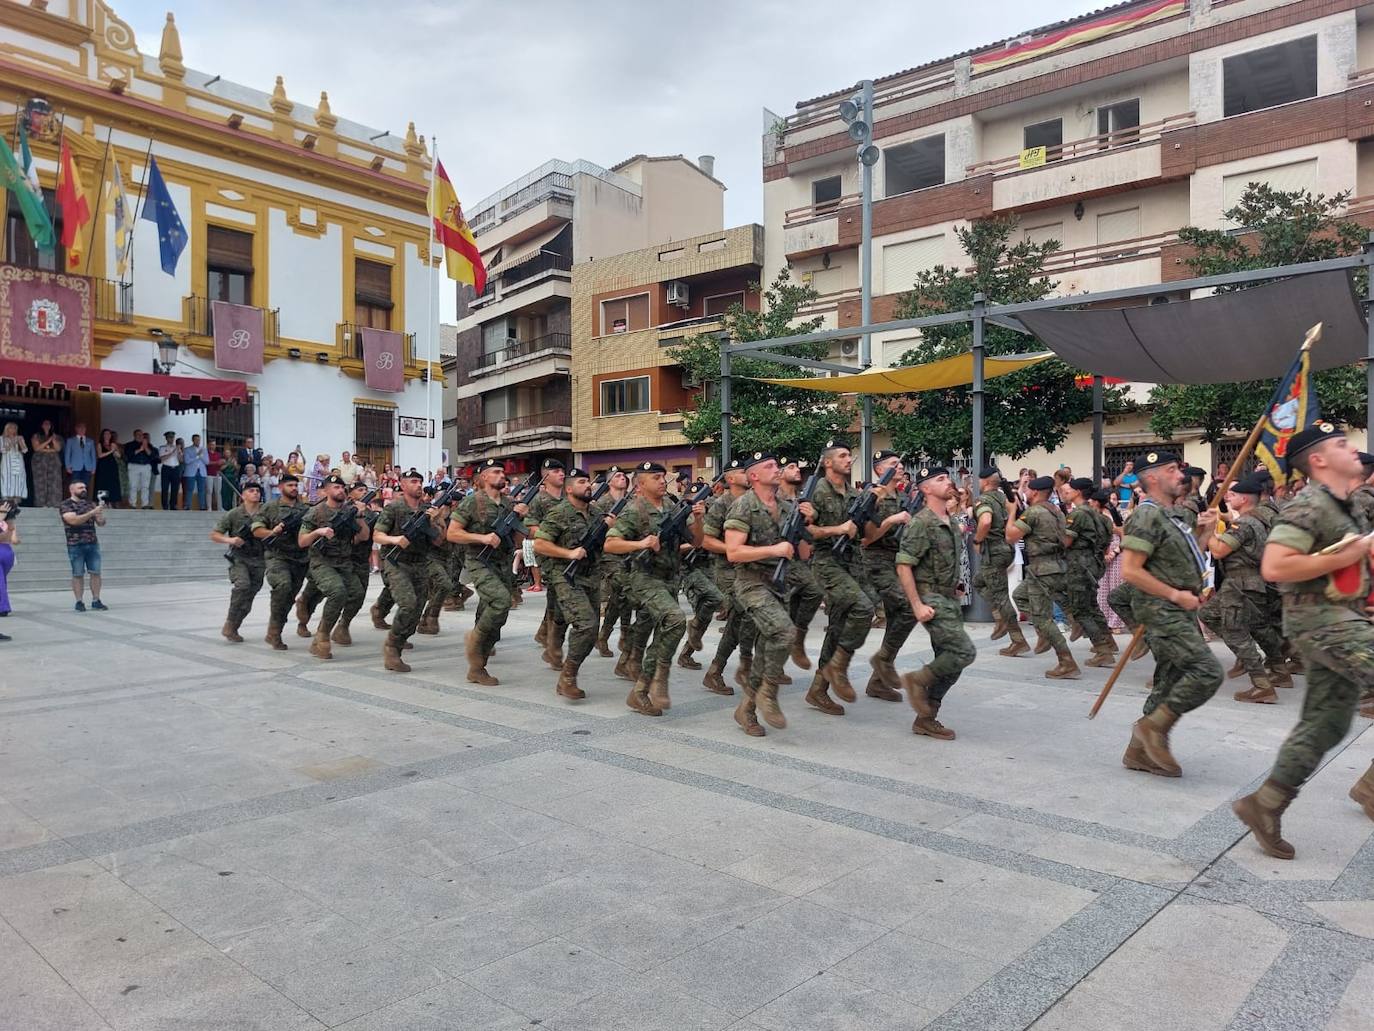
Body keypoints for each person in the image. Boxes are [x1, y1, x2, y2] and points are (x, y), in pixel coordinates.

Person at [1228, 423, 1374, 858]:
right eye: (1342, 444)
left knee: (1327, 723)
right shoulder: (1309, 506)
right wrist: (1353, 552)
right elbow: (1276, 566)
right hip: (1321, 622)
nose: (1354, 450)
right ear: (1318, 460)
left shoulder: (1347, 506)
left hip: (1343, 617)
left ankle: (1265, 804)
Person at [1117, 450, 1222, 778]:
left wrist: (1206, 531)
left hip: (1183, 606)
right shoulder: (1146, 515)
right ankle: (1153, 729)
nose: (1182, 475)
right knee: (1207, 672)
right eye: (1174, 470)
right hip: (1162, 609)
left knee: (1169, 680)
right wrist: (1175, 593)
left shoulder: (1175, 515)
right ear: (1152, 478)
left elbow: (1190, 558)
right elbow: (1131, 571)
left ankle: (1138, 752)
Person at [604, 461, 699, 715]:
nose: (661, 481)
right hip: (644, 578)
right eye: (655, 477)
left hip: (669, 579)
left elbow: (697, 540)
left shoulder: (673, 506)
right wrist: (641, 544)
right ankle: (660, 677)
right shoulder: (635, 510)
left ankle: (640, 691)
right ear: (640, 483)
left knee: (665, 630)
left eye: (662, 477)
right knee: (676, 620)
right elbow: (611, 544)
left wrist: (698, 518)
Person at [724, 453, 803, 735]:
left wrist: (804, 528)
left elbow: (803, 552)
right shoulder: (743, 506)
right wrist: (773, 550)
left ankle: (746, 710)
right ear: (754, 476)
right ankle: (767, 693)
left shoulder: (786, 506)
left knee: (766, 648)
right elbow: (733, 553)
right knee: (785, 633)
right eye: (769, 466)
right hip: (751, 584)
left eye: (777, 464)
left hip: (779, 585)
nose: (777, 468)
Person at [897, 466, 977, 740]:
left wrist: (954, 583)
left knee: (951, 663)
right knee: (964, 652)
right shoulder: (921, 522)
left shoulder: (950, 521)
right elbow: (904, 566)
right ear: (925, 488)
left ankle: (926, 718)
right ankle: (916, 680)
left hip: (947, 597)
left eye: (947, 477)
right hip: (930, 598)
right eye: (940, 479)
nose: (948, 482)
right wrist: (917, 605)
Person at [1201, 476, 1289, 704]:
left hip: (1239, 584)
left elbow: (1219, 550)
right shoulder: (1259, 519)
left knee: (1234, 631)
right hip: (1254, 582)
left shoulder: (1246, 523)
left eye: (1232, 494)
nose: (1228, 497)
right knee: (1256, 626)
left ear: (1244, 498)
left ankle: (1261, 684)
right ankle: (1279, 669)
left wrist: (1210, 532)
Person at [806, 439, 875, 706]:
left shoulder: (854, 495)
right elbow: (807, 531)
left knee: (837, 627)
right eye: (843, 455)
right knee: (864, 608)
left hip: (852, 563)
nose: (849, 459)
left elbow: (867, 535)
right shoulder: (816, 492)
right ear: (828, 462)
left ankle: (818, 689)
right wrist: (839, 530)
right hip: (826, 562)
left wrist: (872, 510)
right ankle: (839, 666)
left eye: (849, 455)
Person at [449, 458, 528, 684]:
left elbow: (519, 538)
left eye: (503, 473)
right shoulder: (473, 502)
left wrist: (519, 518)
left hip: (502, 563)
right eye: (495, 472)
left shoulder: (508, 503)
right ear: (483, 477)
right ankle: (474, 639)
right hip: (479, 561)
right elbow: (452, 533)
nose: (501, 476)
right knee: (501, 601)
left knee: (498, 614)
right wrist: (481, 537)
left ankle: (477, 667)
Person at [533, 468, 606, 700]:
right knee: (586, 625)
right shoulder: (559, 513)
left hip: (591, 576)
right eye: (582, 482)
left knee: (591, 630)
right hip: (565, 575)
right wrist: (569, 553)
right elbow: (540, 544)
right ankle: (567, 677)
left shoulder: (596, 513)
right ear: (569, 489)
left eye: (589, 482)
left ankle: (561, 658)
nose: (588, 486)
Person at [1007, 475, 1080, 679]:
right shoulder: (1057, 511)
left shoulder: (1033, 512)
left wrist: (1012, 511)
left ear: (1035, 492)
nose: (1026, 493)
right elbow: (1066, 540)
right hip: (1056, 565)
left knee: (1042, 617)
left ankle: (1066, 661)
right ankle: (1046, 632)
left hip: (1042, 569)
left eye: (1028, 490)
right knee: (1020, 596)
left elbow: (1010, 536)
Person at [372, 469, 444, 672]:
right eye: (413, 482)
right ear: (402, 486)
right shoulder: (394, 508)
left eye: (420, 482)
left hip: (419, 563)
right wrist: (395, 539)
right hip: (397, 563)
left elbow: (439, 540)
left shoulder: (428, 510)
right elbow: (377, 535)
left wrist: (437, 520)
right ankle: (392, 648)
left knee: (417, 608)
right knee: (408, 603)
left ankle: (401, 637)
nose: (418, 485)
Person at [859, 451, 915, 703]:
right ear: (880, 470)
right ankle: (824, 680)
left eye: (900, 463)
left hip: (897, 562)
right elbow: (866, 538)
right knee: (906, 609)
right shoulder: (872, 496)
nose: (900, 467)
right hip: (875, 563)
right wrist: (892, 520)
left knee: (899, 618)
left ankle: (878, 680)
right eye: (894, 464)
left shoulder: (902, 496)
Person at [297, 474, 369, 660]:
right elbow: (302, 541)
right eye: (335, 487)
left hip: (344, 562)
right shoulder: (316, 512)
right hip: (322, 562)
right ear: (326, 490)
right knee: (337, 592)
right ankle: (322, 636)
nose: (340, 491)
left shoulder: (349, 511)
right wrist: (317, 532)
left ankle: (341, 627)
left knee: (357, 594)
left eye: (342, 488)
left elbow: (363, 537)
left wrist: (360, 515)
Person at [700, 459, 752, 695]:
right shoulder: (722, 504)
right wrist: (733, 549)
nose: (747, 475)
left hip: (753, 569)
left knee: (744, 621)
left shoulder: (754, 501)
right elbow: (707, 541)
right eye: (742, 472)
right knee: (743, 617)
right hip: (729, 570)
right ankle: (718, 670)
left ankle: (719, 670)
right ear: (730, 479)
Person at [973, 464, 1029, 655]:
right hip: (1006, 549)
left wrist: (977, 539)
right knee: (979, 582)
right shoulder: (1004, 497)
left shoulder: (984, 500)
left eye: (980, 480)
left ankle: (1017, 638)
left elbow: (985, 521)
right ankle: (1000, 617)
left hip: (993, 551)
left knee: (1001, 596)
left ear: (986, 481)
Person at [1064, 476, 1119, 669]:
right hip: (1094, 564)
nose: (1067, 492)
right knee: (1092, 605)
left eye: (1070, 489)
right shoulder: (1100, 516)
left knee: (1080, 609)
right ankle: (1108, 641)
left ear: (1078, 492)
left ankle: (1102, 650)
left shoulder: (1077, 515)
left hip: (1079, 565)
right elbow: (1106, 542)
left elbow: (1066, 541)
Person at [252, 472, 310, 650]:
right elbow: (256, 530)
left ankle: (275, 629)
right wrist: (273, 532)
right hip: (277, 556)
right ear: (280, 488)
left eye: (295, 485)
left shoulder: (304, 509)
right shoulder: (270, 507)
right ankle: (275, 631)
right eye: (289, 485)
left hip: (299, 558)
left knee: (289, 596)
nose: (293, 488)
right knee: (282, 587)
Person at [777, 456, 824, 673]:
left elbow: (805, 544)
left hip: (796, 560)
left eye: (798, 466)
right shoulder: (772, 499)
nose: (797, 470)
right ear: (779, 473)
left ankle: (797, 637)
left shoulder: (803, 500)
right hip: (773, 560)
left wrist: (809, 519)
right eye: (791, 466)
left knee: (814, 590)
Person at [209, 480, 266, 642]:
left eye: (257, 490)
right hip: (239, 558)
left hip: (259, 559)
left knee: (249, 597)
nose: (255, 493)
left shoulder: (265, 512)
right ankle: (229, 621)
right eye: (251, 491)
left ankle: (234, 626)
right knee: (242, 585)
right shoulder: (234, 514)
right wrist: (231, 540)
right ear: (243, 495)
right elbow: (215, 534)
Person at [528, 459, 567, 666]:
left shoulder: (567, 499)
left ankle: (545, 634)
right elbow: (531, 527)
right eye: (556, 471)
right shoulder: (539, 500)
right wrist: (551, 535)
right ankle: (553, 646)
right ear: (546, 476)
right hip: (549, 556)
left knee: (556, 596)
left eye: (562, 470)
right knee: (560, 596)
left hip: (564, 553)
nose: (561, 473)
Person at [60, 479, 107, 611]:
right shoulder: (66, 505)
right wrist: (92, 513)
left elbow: (101, 523)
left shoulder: (90, 504)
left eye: (85, 487)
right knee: (77, 574)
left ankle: (96, 600)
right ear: (72, 490)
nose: (84, 489)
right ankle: (79, 601)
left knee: (96, 573)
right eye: (80, 488)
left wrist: (100, 514)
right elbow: (73, 520)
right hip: (75, 544)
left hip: (92, 543)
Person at [30, 420, 63, 507]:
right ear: (41, 425)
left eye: (49, 424)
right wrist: (48, 441)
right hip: (40, 462)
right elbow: (36, 448)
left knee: (54, 482)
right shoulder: (36, 436)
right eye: (45, 423)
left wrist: (53, 439)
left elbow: (58, 449)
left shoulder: (56, 436)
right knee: (40, 482)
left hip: (53, 461)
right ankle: (41, 504)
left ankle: (53, 504)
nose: (47, 425)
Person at [125, 430, 157, 509]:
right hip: (133, 466)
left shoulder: (149, 445)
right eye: (138, 434)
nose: (140, 436)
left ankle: (145, 504)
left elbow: (152, 456)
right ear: (134, 435)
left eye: (141, 435)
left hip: (146, 466)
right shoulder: (129, 444)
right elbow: (128, 455)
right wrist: (140, 449)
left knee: (145, 486)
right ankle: (132, 504)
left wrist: (145, 447)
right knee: (133, 486)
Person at [0, 422, 27, 506]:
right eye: (11, 428)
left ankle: (16, 502)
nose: (13, 430)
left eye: (15, 428)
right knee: (6, 479)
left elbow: (25, 450)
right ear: (7, 429)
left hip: (18, 461)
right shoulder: (1, 438)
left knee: (18, 480)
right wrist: (12, 442)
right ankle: (6, 501)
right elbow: (2, 450)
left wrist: (20, 442)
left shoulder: (20, 438)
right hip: (7, 462)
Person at [63, 423, 96, 491]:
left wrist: (94, 467)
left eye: (83, 428)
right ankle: (76, 501)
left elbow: (93, 455)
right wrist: (68, 467)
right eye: (80, 428)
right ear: (76, 429)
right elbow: (67, 454)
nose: (82, 430)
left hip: (87, 467)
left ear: (85, 429)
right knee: (75, 486)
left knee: (85, 486)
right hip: (75, 467)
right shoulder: (70, 441)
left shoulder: (90, 441)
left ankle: (83, 501)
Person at [0, 500, 17, 617]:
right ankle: (3, 606)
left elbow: (11, 538)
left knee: (1, 581)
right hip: (4, 551)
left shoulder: (7, 522)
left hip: (5, 551)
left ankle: (3, 606)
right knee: (1, 581)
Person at [181, 434, 207, 510]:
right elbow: (187, 461)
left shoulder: (204, 449)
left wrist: (201, 456)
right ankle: (187, 505)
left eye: (199, 440)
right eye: (196, 440)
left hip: (201, 471)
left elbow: (207, 462)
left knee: (201, 490)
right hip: (191, 472)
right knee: (189, 489)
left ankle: (202, 506)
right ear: (192, 440)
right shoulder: (187, 449)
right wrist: (197, 456)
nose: (198, 441)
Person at [158, 431, 182, 510]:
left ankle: (173, 505)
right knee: (165, 488)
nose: (171, 439)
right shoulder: (162, 447)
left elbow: (181, 460)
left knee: (175, 488)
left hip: (175, 469)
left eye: (172, 437)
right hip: (166, 468)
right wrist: (172, 453)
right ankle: (165, 505)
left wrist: (179, 452)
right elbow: (161, 459)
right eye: (170, 437)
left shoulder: (177, 447)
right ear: (166, 438)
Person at [206, 440, 224, 512]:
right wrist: (217, 462)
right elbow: (207, 462)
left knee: (218, 492)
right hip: (209, 474)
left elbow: (220, 463)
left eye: (213, 445)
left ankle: (219, 508)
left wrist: (222, 463)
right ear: (208, 445)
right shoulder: (206, 453)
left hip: (217, 474)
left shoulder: (218, 454)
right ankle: (209, 508)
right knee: (209, 491)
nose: (212, 446)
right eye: (211, 444)